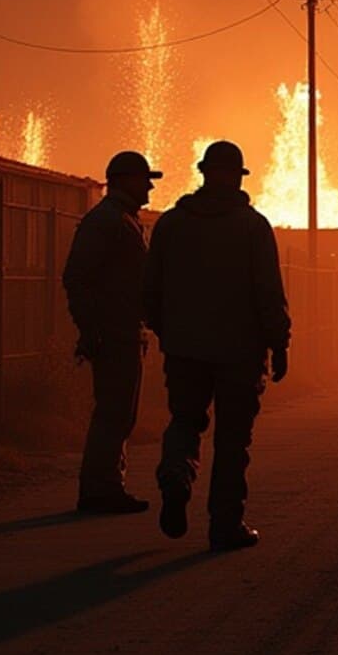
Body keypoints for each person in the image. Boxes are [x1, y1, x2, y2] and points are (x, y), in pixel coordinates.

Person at [143, 140, 291, 551]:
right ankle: (225, 525)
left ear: (204, 173)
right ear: (237, 177)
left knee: (185, 420)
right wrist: (279, 343)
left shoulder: (171, 225)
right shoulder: (253, 227)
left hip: (184, 348)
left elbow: (150, 288)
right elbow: (268, 293)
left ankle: (176, 475)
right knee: (232, 438)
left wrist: (166, 331)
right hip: (240, 353)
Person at [62, 150, 162, 514]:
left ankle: (106, 486)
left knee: (120, 412)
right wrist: (91, 329)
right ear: (125, 180)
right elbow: (77, 277)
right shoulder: (107, 222)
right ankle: (100, 490)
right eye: (144, 179)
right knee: (114, 412)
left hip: (122, 329)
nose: (150, 186)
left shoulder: (122, 220)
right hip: (113, 331)